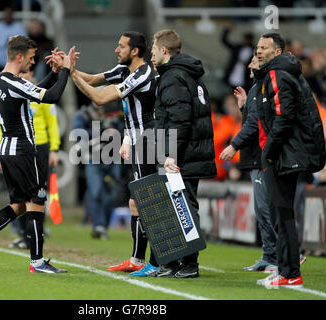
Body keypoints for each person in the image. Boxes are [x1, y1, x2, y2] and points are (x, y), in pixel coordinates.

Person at [0, 35, 76, 274]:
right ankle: (37, 262)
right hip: (24, 150)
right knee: (37, 201)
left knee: (19, 205)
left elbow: (36, 91)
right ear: (19, 56)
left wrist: (54, 73)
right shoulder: (14, 82)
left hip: (7, 150)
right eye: (32, 58)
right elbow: (51, 97)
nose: (33, 63)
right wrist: (65, 70)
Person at [70, 31, 159, 276]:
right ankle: (138, 259)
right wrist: (72, 70)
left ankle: (157, 261)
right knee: (136, 202)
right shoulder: (123, 71)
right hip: (139, 140)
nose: (116, 50)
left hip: (149, 140)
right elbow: (92, 79)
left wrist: (71, 73)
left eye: (121, 46)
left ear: (135, 51)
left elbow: (99, 98)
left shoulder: (142, 75)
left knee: (146, 201)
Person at [254, 33, 325, 288]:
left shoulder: (277, 74)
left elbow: (283, 118)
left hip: (284, 153)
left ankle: (290, 273)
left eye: (265, 48)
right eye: (258, 47)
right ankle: (285, 269)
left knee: (281, 213)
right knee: (280, 212)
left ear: (278, 52)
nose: (259, 51)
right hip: (288, 152)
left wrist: (269, 151)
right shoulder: (282, 72)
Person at [150, 29, 216, 278]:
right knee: (180, 206)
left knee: (183, 208)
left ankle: (189, 264)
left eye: (154, 51)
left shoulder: (173, 77)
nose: (152, 57)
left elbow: (180, 120)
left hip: (183, 156)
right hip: (190, 152)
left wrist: (171, 155)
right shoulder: (188, 74)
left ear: (164, 51)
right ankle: (176, 262)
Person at [219, 54, 278, 272]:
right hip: (255, 157)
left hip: (261, 156)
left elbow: (255, 124)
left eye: (254, 60)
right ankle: (270, 255)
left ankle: (285, 254)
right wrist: (244, 106)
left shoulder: (262, 87)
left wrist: (234, 145)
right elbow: (253, 118)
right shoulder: (255, 88)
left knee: (266, 208)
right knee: (262, 209)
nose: (250, 64)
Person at [0, 67, 62, 249]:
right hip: (19, 148)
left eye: (25, 74)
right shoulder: (13, 94)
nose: (22, 77)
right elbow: (3, 127)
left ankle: (35, 233)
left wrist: (54, 148)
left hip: (40, 146)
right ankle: (25, 235)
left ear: (32, 75)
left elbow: (52, 124)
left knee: (39, 194)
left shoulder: (40, 95)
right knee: (22, 196)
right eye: (20, 75)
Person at [72, 101, 123, 240]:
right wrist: (102, 131)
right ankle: (98, 226)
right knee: (96, 191)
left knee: (113, 194)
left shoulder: (113, 113)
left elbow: (123, 131)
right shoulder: (84, 114)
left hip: (112, 157)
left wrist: (116, 132)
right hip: (93, 158)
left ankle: (103, 226)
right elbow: (77, 133)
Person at [0, 7, 27, 74]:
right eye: (6, 14)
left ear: (12, 14)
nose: (8, 16)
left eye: (9, 14)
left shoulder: (19, 27)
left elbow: (26, 43)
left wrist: (14, 43)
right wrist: (4, 42)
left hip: (16, 64)